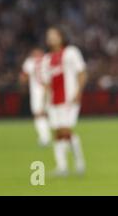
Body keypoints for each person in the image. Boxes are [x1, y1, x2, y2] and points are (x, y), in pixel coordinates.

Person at [42, 27, 87, 176]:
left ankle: (79, 163)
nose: (51, 38)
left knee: (65, 131)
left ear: (61, 37)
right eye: (49, 36)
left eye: (54, 35)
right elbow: (46, 82)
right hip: (53, 102)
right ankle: (62, 167)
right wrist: (45, 101)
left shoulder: (71, 52)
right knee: (58, 133)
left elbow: (81, 72)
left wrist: (78, 91)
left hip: (69, 98)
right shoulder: (47, 59)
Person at [20, 48, 51, 147]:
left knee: (38, 115)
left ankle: (44, 138)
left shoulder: (30, 62)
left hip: (37, 91)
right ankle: (55, 137)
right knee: (48, 114)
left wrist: (23, 83)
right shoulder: (48, 59)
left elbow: (23, 77)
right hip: (50, 89)